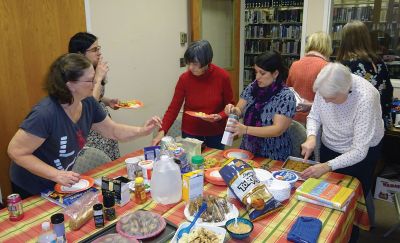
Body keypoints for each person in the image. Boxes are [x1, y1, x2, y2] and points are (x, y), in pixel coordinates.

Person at [8, 53, 161, 198]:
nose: (95, 83)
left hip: (60, 182)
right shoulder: (45, 113)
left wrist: (142, 130)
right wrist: (56, 174)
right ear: (70, 85)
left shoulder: (88, 103)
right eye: (90, 80)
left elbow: (113, 130)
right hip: (31, 185)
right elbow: (16, 152)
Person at [300, 63, 384, 240]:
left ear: (346, 90)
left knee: (351, 203)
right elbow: (314, 116)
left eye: (331, 98)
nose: (326, 101)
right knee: (324, 195)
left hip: (362, 154)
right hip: (331, 146)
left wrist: (328, 166)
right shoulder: (326, 87)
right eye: (323, 97)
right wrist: (311, 137)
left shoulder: (366, 98)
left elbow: (360, 151)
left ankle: (349, 236)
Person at [152, 40, 234, 149]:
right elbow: (173, 108)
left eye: (195, 64)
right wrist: (162, 131)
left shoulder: (222, 77)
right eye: (189, 63)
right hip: (190, 132)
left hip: (215, 132)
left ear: (207, 61)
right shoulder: (184, 79)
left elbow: (230, 106)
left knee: (214, 163)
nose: (191, 68)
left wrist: (220, 116)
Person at [224, 51, 296, 161]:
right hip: (248, 150)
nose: (257, 77)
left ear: (275, 74)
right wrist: (232, 110)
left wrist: (246, 129)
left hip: (273, 154)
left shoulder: (285, 96)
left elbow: (277, 130)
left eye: (262, 73)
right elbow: (239, 110)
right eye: (256, 72)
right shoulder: (252, 87)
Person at [69, 32, 120, 160]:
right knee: (96, 167)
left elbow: (94, 96)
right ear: (80, 54)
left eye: (99, 48)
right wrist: (98, 77)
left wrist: (107, 101)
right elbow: (88, 103)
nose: (99, 52)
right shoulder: (75, 75)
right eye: (94, 50)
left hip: (102, 122)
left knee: (111, 167)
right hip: (90, 127)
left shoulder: (94, 68)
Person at [337, 21, 393, 128]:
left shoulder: (347, 66)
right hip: (378, 123)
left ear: (345, 41)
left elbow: (340, 100)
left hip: (356, 126)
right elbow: (388, 92)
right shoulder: (379, 61)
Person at [286, 31, 332, 125]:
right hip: (315, 120)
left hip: (293, 118)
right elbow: (329, 101)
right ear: (327, 46)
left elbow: (288, 91)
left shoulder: (295, 65)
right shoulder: (327, 67)